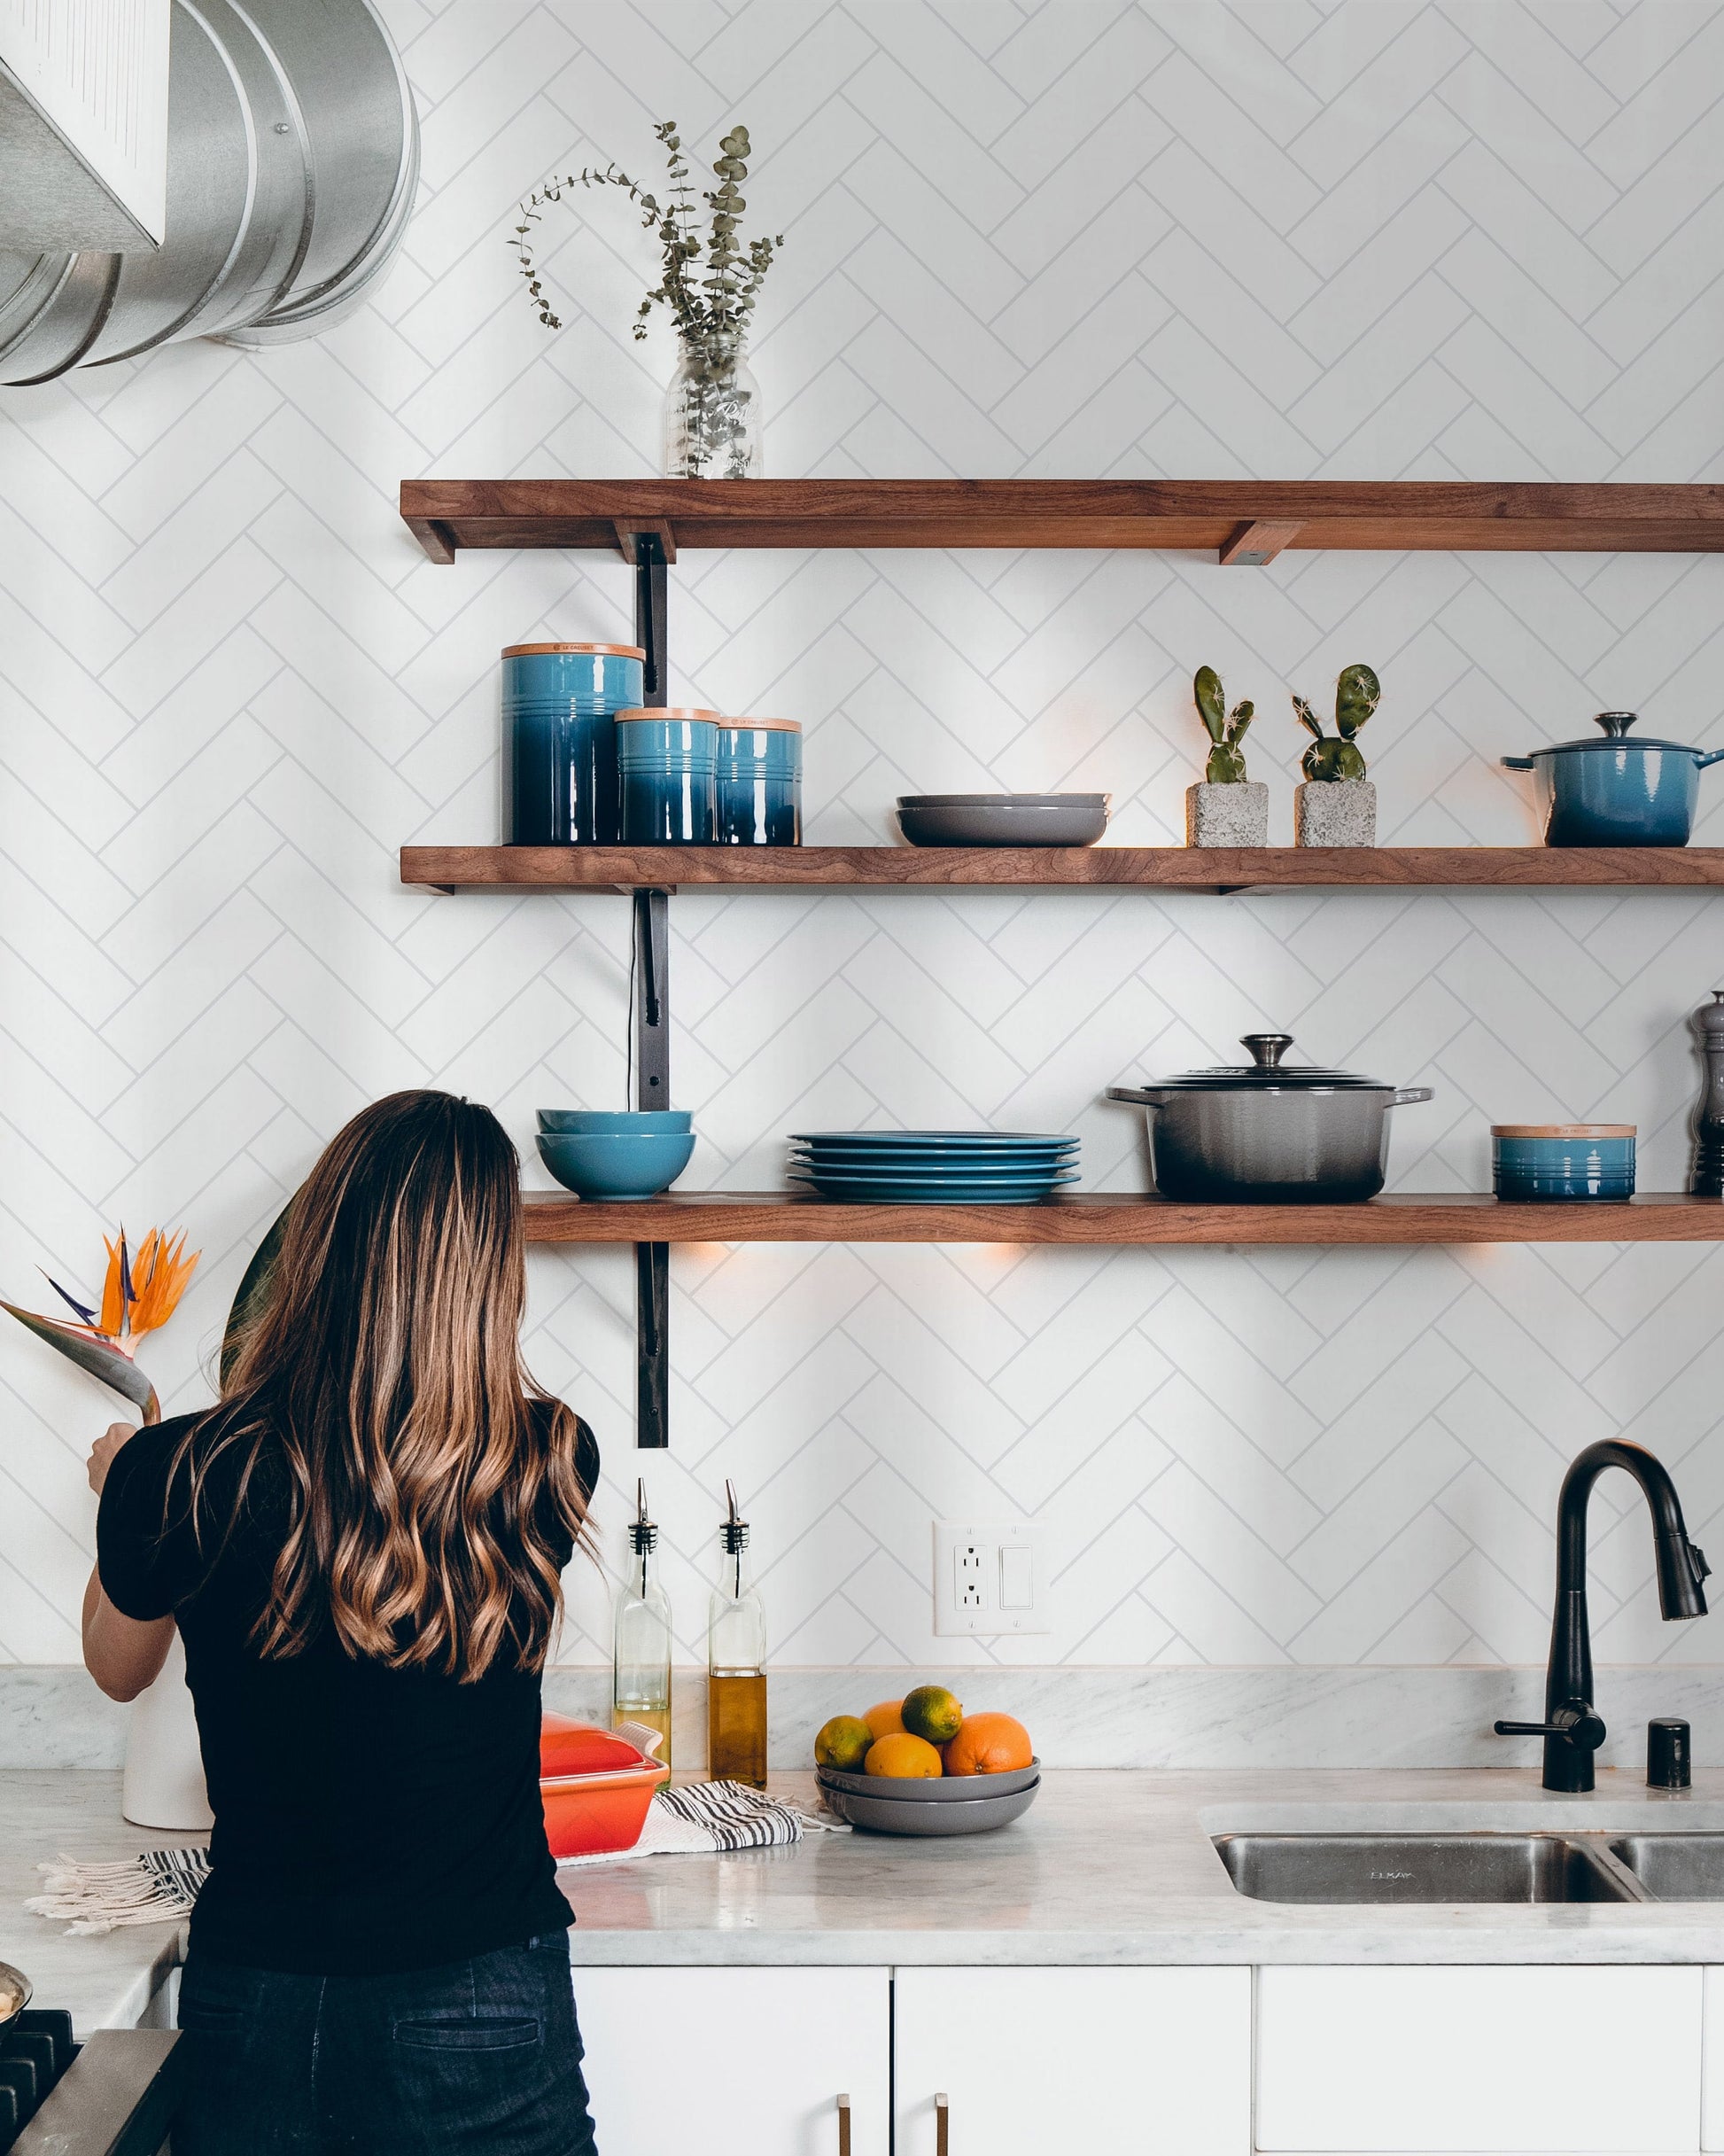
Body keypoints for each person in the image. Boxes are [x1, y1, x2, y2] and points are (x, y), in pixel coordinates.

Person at [83, 1091, 602, 2155]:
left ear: (314, 1242)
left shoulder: (177, 1470)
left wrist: (123, 1500)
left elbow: (115, 1668)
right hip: (482, 1991)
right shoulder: (547, 1459)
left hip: (257, 1995)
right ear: (489, 1274)